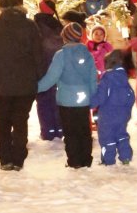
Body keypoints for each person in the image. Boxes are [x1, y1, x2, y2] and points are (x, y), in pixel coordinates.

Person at [0, 0, 45, 171]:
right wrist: (37, 77)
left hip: (1, 84)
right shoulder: (30, 26)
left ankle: (5, 158)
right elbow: (38, 55)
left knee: (2, 121)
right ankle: (18, 158)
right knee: (20, 120)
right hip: (25, 84)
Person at [36, 22, 98, 169]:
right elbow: (92, 78)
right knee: (84, 130)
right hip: (83, 101)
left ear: (65, 37)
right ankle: (86, 159)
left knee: (70, 132)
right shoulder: (87, 54)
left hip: (67, 101)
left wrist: (35, 87)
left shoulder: (61, 55)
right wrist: (93, 97)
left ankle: (74, 161)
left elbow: (51, 78)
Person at [89, 48, 135, 165]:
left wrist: (90, 103)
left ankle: (108, 160)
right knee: (121, 135)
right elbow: (131, 96)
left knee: (106, 137)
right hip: (122, 116)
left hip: (107, 116)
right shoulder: (124, 79)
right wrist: (127, 111)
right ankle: (126, 157)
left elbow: (101, 96)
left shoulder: (107, 79)